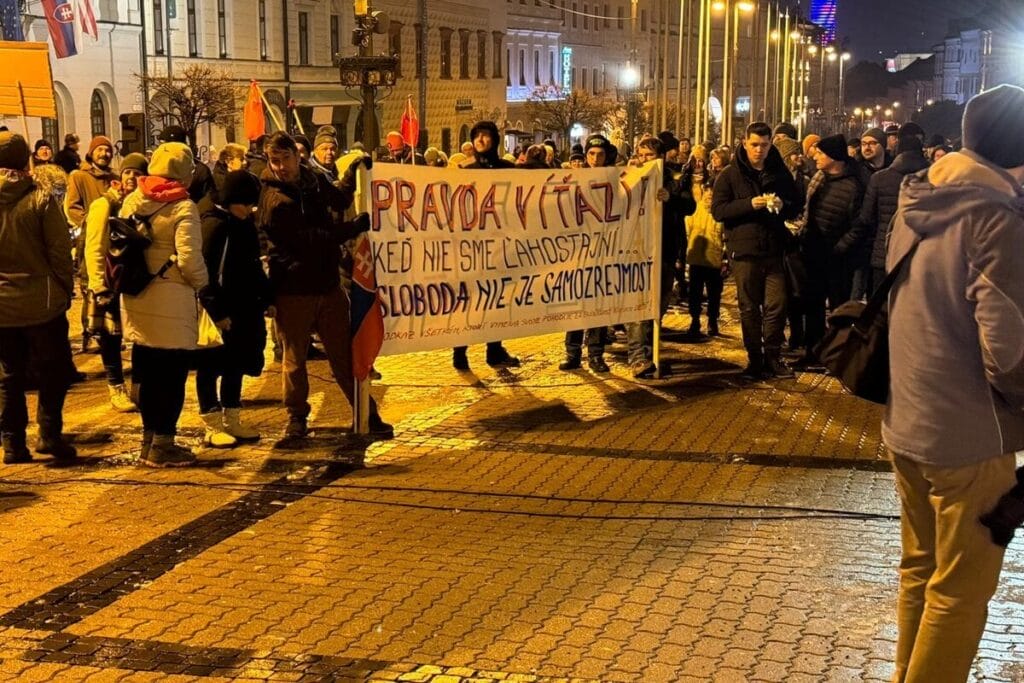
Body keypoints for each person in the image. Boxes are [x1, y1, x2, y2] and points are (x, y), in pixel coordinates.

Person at [884, 84, 1024, 683]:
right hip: (971, 435)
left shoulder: (916, 200)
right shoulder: (996, 218)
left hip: (906, 422)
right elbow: (1009, 350)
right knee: (960, 593)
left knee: (921, 572)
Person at [256, 131, 393, 440]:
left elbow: (338, 198)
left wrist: (352, 172)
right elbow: (310, 241)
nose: (280, 167)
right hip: (293, 290)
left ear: (297, 155)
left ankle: (365, 413)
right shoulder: (273, 200)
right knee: (294, 360)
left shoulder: (311, 180)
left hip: (327, 285)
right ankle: (297, 417)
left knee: (345, 354)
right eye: (274, 161)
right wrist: (351, 228)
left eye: (285, 159)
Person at [119, 142, 209, 466]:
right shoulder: (183, 207)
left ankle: (147, 440)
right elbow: (189, 260)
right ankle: (164, 444)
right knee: (171, 376)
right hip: (171, 300)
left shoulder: (132, 199)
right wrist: (203, 284)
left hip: (136, 296)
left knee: (145, 371)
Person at [0, 132, 77, 464]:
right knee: (53, 371)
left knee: (9, 375)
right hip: (43, 304)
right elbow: (60, 250)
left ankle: (12, 442)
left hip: (1, 307)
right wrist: (63, 288)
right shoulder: (41, 199)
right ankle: (49, 434)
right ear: (25, 160)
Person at [711, 122, 800, 380]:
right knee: (749, 308)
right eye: (754, 145)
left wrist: (783, 204)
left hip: (774, 249)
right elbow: (719, 210)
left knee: (776, 305)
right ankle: (755, 358)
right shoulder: (729, 174)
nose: (759, 150)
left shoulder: (779, 172)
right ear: (744, 143)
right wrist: (750, 204)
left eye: (764, 145)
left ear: (771, 144)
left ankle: (773, 355)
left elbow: (795, 204)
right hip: (744, 249)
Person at [196, 170, 270, 446]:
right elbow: (203, 274)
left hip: (244, 308)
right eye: (245, 202)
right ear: (231, 200)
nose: (250, 208)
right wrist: (218, 312)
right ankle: (212, 423)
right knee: (210, 367)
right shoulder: (215, 226)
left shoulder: (244, 224)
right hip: (221, 312)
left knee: (235, 365)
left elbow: (252, 266)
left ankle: (232, 418)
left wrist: (266, 298)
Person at [83, 153, 150, 413]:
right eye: (127, 172)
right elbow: (95, 246)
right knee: (111, 338)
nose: (131, 177)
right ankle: (116, 388)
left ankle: (138, 386)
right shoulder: (104, 205)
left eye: (137, 173)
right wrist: (99, 284)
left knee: (139, 336)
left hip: (135, 282)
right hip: (110, 282)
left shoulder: (143, 204)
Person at [451, 121, 521, 371]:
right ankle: (459, 351)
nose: (480, 140)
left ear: (495, 140)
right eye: (477, 136)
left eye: (485, 135)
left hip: (500, 247)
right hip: (472, 247)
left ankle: (494, 349)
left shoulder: (507, 169)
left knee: (498, 301)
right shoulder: (463, 169)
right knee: (468, 302)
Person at [794, 134, 865, 370]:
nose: (815, 156)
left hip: (837, 258)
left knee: (838, 307)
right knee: (812, 305)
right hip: (813, 253)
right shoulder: (818, 179)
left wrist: (839, 248)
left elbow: (858, 226)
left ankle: (837, 356)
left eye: (821, 153)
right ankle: (812, 351)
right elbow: (808, 212)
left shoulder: (853, 186)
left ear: (834, 158)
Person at [627, 136, 696, 378]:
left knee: (659, 303)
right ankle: (638, 357)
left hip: (665, 250)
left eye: (651, 156)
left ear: (662, 157)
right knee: (638, 305)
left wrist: (671, 198)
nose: (646, 160)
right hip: (637, 252)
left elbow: (690, 206)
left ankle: (649, 348)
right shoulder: (630, 177)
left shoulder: (675, 179)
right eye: (642, 155)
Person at [559, 134, 619, 374]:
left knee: (597, 306)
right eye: (591, 155)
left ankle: (596, 354)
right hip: (577, 252)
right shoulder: (573, 180)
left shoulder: (614, 181)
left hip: (602, 251)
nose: (595, 159)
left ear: (606, 157)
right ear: (585, 157)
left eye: (600, 155)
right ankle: (572, 353)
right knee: (575, 305)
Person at [857, 134, 928, 296]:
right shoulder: (933, 177)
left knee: (880, 307)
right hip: (919, 254)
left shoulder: (879, 178)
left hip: (884, 251)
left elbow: (866, 217)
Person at [65, 135, 118, 353]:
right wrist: (91, 223)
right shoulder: (79, 176)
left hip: (113, 243)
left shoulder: (114, 177)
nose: (104, 153)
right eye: (100, 150)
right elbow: (71, 207)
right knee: (90, 285)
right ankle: (90, 331)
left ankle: (108, 330)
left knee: (109, 284)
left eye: (107, 150)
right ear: (91, 152)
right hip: (89, 240)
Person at [685, 145, 725, 337]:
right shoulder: (695, 210)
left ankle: (712, 320)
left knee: (714, 294)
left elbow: (725, 236)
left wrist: (725, 259)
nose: (709, 194)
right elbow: (687, 231)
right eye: (707, 190)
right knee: (695, 293)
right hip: (696, 258)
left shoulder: (720, 213)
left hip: (714, 260)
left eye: (712, 191)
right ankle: (694, 320)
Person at [159, 125, 216, 206]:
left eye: (164, 145)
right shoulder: (158, 168)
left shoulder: (200, 170)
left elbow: (208, 201)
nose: (160, 149)